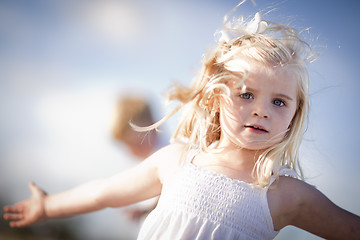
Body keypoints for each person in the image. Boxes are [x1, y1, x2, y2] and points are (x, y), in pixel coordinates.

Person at [3, 2, 360, 239]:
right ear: (217, 98)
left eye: (279, 101)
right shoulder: (175, 161)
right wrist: (48, 206)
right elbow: (103, 193)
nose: (261, 110)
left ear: (295, 115)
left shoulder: (287, 195)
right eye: (247, 94)